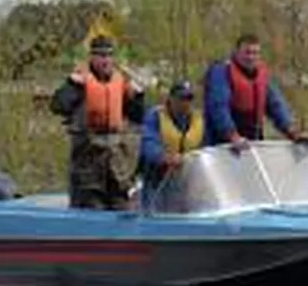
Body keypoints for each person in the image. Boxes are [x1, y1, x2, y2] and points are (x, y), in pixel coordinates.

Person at [49, 35, 147, 210]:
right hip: (87, 165)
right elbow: (58, 106)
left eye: (109, 55)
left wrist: (138, 97)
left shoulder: (121, 82)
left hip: (117, 165)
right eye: (100, 55)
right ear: (91, 58)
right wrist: (72, 85)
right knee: (90, 208)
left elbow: (138, 117)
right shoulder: (80, 81)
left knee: (122, 208)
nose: (105, 60)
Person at [203, 32, 308, 150]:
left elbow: (276, 105)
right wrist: (232, 135)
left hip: (252, 140)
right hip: (223, 143)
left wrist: (291, 130)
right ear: (237, 52)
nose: (251, 57)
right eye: (247, 53)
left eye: (255, 53)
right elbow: (218, 106)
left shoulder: (262, 75)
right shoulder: (222, 72)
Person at [138, 79, 205, 191]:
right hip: (158, 179)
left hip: (188, 179)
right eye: (182, 98)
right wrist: (163, 157)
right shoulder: (155, 116)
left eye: (189, 98)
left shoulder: (197, 119)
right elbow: (147, 143)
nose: (186, 103)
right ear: (171, 99)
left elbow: (207, 146)